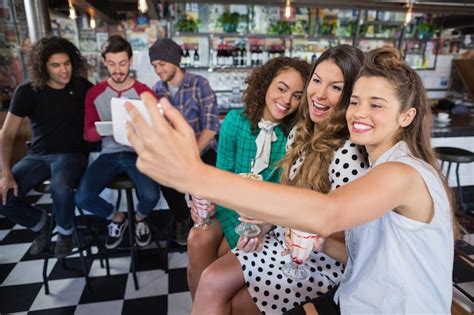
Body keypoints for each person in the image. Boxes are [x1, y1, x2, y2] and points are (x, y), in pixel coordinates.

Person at [125, 46, 458, 314]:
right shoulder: (374, 160)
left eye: (376, 105)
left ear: (407, 115)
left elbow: (329, 213)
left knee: (228, 294)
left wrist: (195, 175)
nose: (359, 113)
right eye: (356, 101)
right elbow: (358, 251)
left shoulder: (401, 172)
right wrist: (315, 238)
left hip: (384, 304)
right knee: (211, 272)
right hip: (355, 298)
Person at [192, 45, 368, 314]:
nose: (319, 94)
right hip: (282, 237)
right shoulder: (299, 131)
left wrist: (279, 220)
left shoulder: (349, 151)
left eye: (335, 87)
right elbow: (285, 192)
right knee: (211, 278)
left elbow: (346, 234)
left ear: (350, 96)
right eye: (317, 81)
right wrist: (265, 223)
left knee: (230, 300)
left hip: (318, 257)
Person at [187, 56, 311, 299]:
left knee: (215, 263)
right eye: (281, 88)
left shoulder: (295, 135)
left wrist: (263, 221)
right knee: (196, 238)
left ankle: (210, 303)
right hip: (229, 206)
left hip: (264, 216)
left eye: (297, 95)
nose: (287, 100)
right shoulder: (235, 120)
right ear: (265, 84)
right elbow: (222, 177)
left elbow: (286, 194)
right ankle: (201, 305)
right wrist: (203, 200)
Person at [0, 36, 92, 257]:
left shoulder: (81, 87)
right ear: (43, 67)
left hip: (72, 154)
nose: (64, 70)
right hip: (38, 156)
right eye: (56, 65)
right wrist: (4, 173)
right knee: (3, 196)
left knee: (60, 186)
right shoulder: (27, 91)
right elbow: (7, 133)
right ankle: (41, 224)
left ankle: (65, 232)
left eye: (67, 63)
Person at [74, 35, 160, 249]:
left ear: (130, 61)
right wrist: (108, 128)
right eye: (111, 64)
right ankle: (117, 218)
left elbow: (156, 131)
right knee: (82, 197)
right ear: (104, 62)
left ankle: (140, 218)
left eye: (122, 63)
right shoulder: (94, 93)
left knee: (151, 195)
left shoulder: (144, 92)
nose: (117, 69)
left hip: (137, 153)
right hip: (109, 155)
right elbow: (87, 134)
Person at [148, 37, 220, 245]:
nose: (158, 70)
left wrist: (190, 154)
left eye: (162, 64)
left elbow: (210, 128)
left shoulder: (199, 84)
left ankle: (209, 224)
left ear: (175, 61)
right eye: (154, 66)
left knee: (204, 187)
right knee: (166, 181)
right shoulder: (157, 88)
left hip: (203, 149)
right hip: (174, 152)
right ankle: (182, 219)